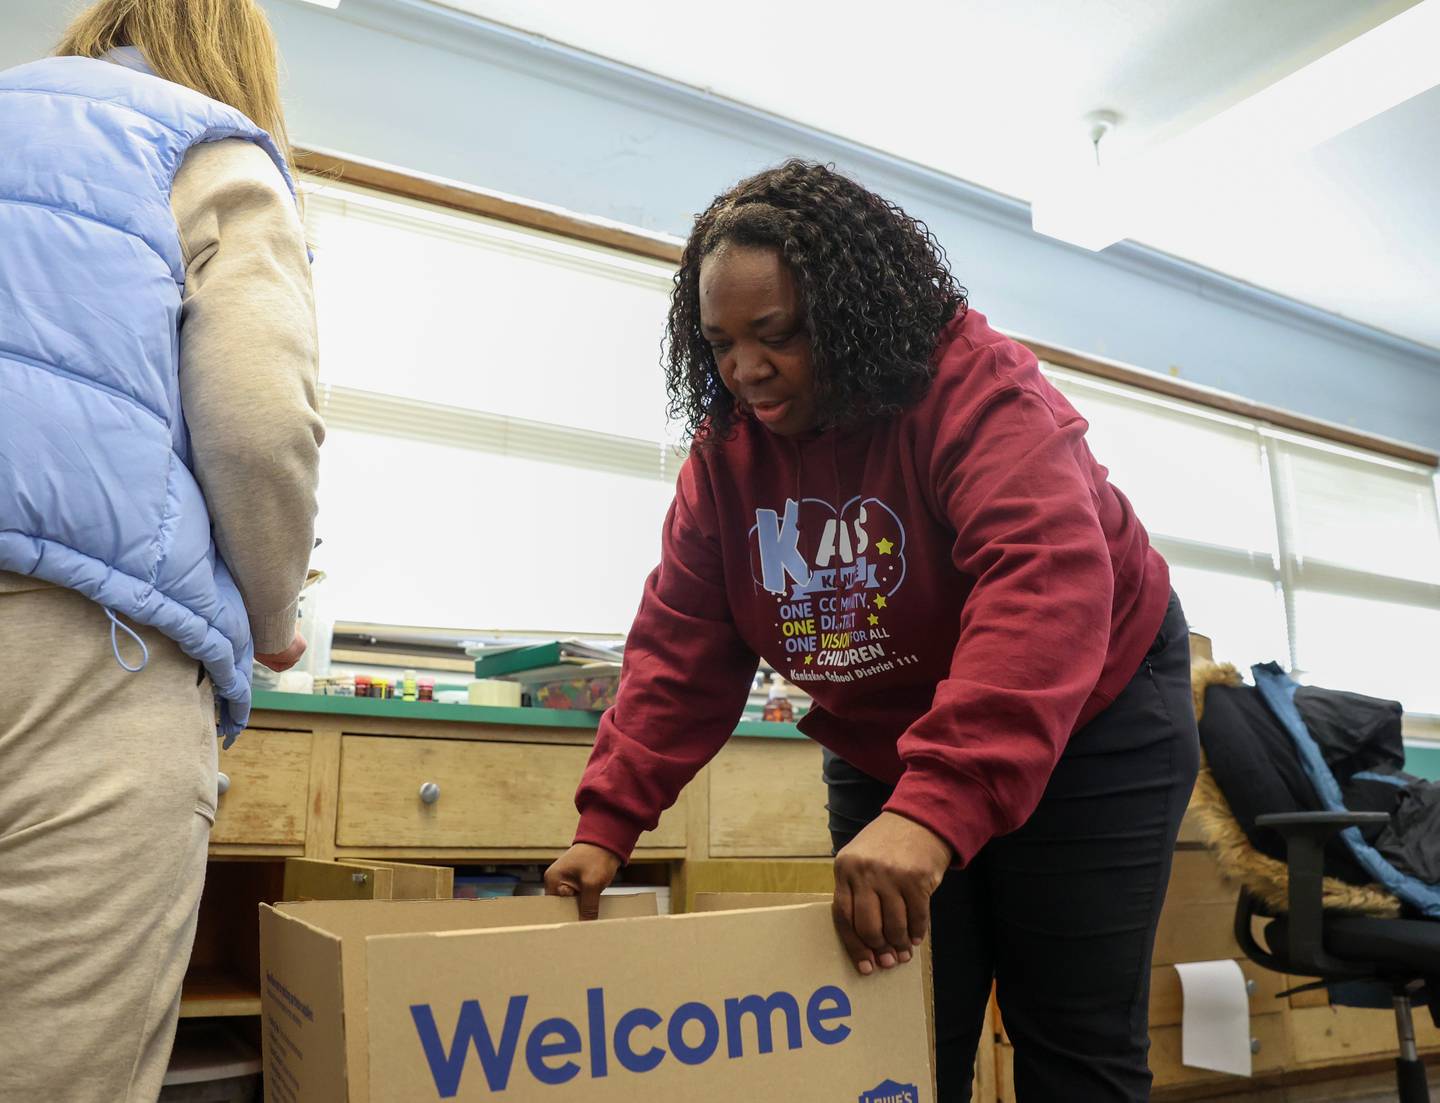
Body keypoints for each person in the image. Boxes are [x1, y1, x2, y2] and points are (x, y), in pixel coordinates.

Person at [547, 160, 1200, 1100]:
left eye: (776, 335)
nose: (745, 370)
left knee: (1069, 1040)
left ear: (852, 313)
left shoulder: (977, 391)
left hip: (1091, 720)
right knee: (895, 1039)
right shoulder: (727, 457)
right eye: (720, 343)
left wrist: (935, 809)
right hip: (889, 733)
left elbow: (1043, 586)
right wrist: (607, 821)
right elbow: (683, 642)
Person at [0, 1, 322, 1097]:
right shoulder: (209, 149)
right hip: (83, 658)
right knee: (56, 1061)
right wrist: (274, 614)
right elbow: (256, 423)